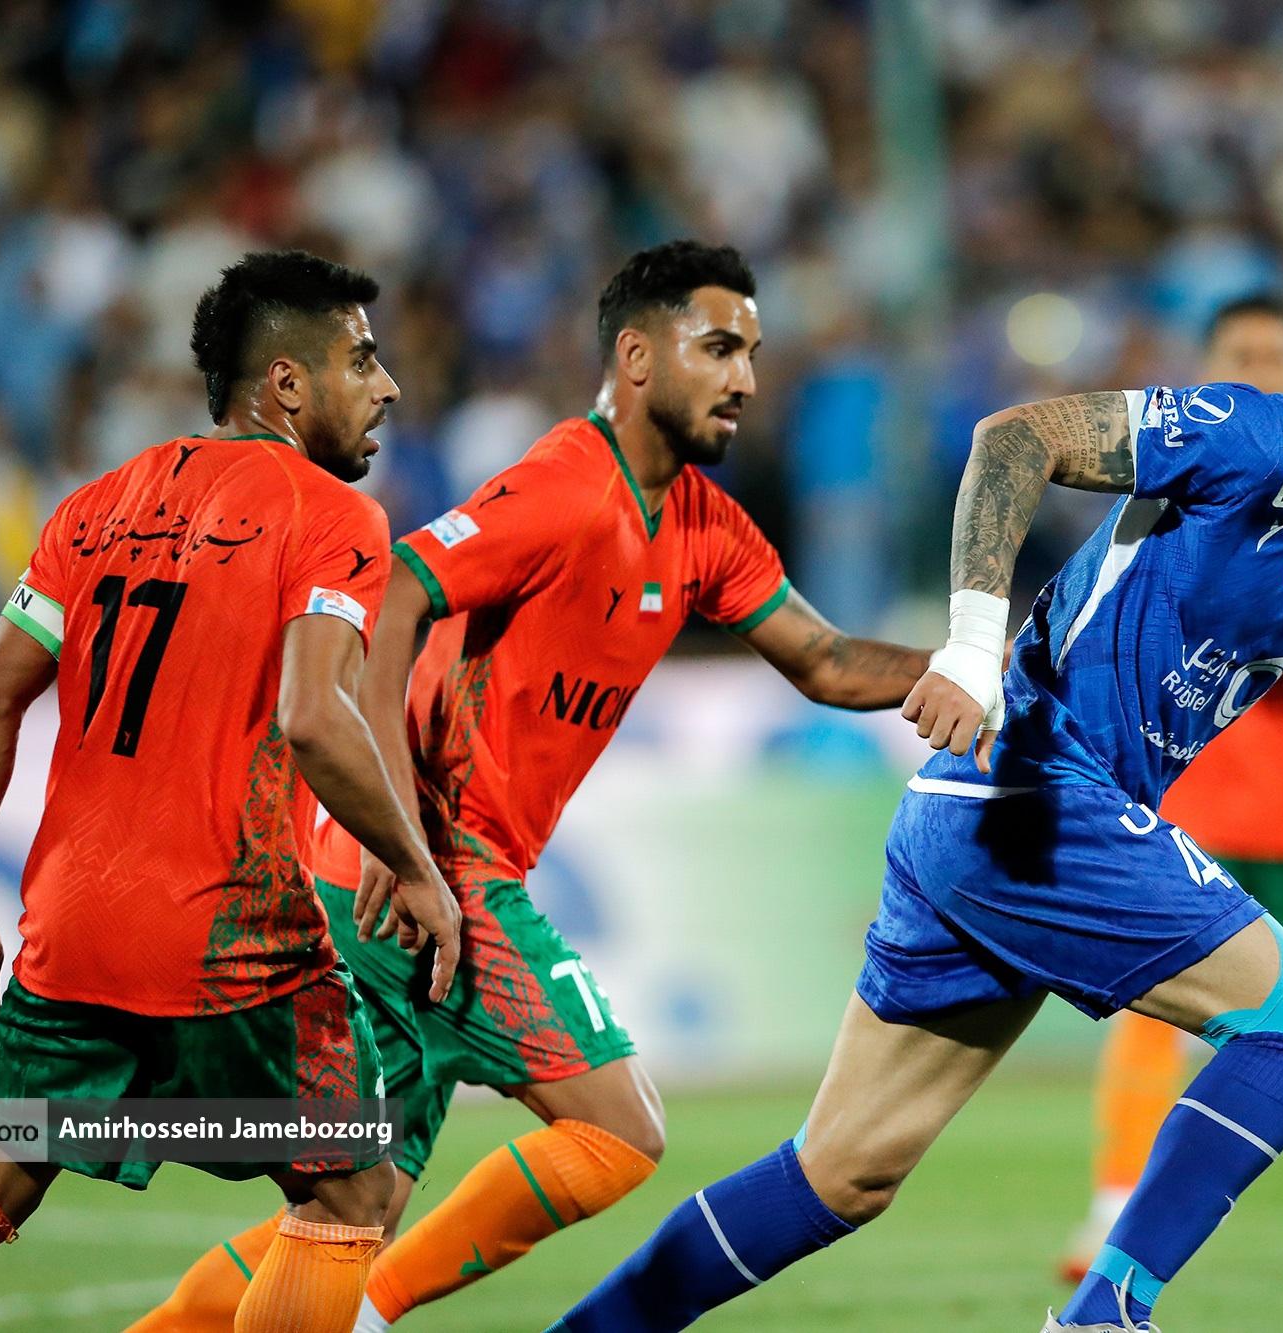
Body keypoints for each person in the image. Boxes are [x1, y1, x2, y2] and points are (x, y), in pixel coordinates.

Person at [546, 246, 1283, 1333]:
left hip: (989, 824)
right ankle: (1103, 1313)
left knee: (839, 1174)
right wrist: (970, 649)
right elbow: (1014, 437)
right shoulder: (1253, 437)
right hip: (1028, 788)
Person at [140, 240, 933, 1332]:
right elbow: (397, 589)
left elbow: (828, 660)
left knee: (350, 1208)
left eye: (751, 353)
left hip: (419, 877)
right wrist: (393, 840)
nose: (746, 378)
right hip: (431, 866)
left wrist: (975, 668)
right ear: (637, 357)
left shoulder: (702, 525)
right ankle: (375, 1310)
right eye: (718, 348)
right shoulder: (568, 483)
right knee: (617, 1127)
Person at [0, 250, 461, 1333]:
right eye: (361, 360)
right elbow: (314, 715)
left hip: (70, 931)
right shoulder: (332, 515)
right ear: (287, 383)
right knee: (352, 1189)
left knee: (0, 1168)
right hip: (230, 935)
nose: (386, 387)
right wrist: (413, 863)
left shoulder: (93, 507)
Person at [1061, 295, 1283, 1282]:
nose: (1258, 369)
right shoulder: (1186, 480)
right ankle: (1110, 1209)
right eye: (1239, 353)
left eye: (1276, 354)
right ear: (1205, 368)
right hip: (1190, 802)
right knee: (1145, 1011)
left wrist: (1246, 619)